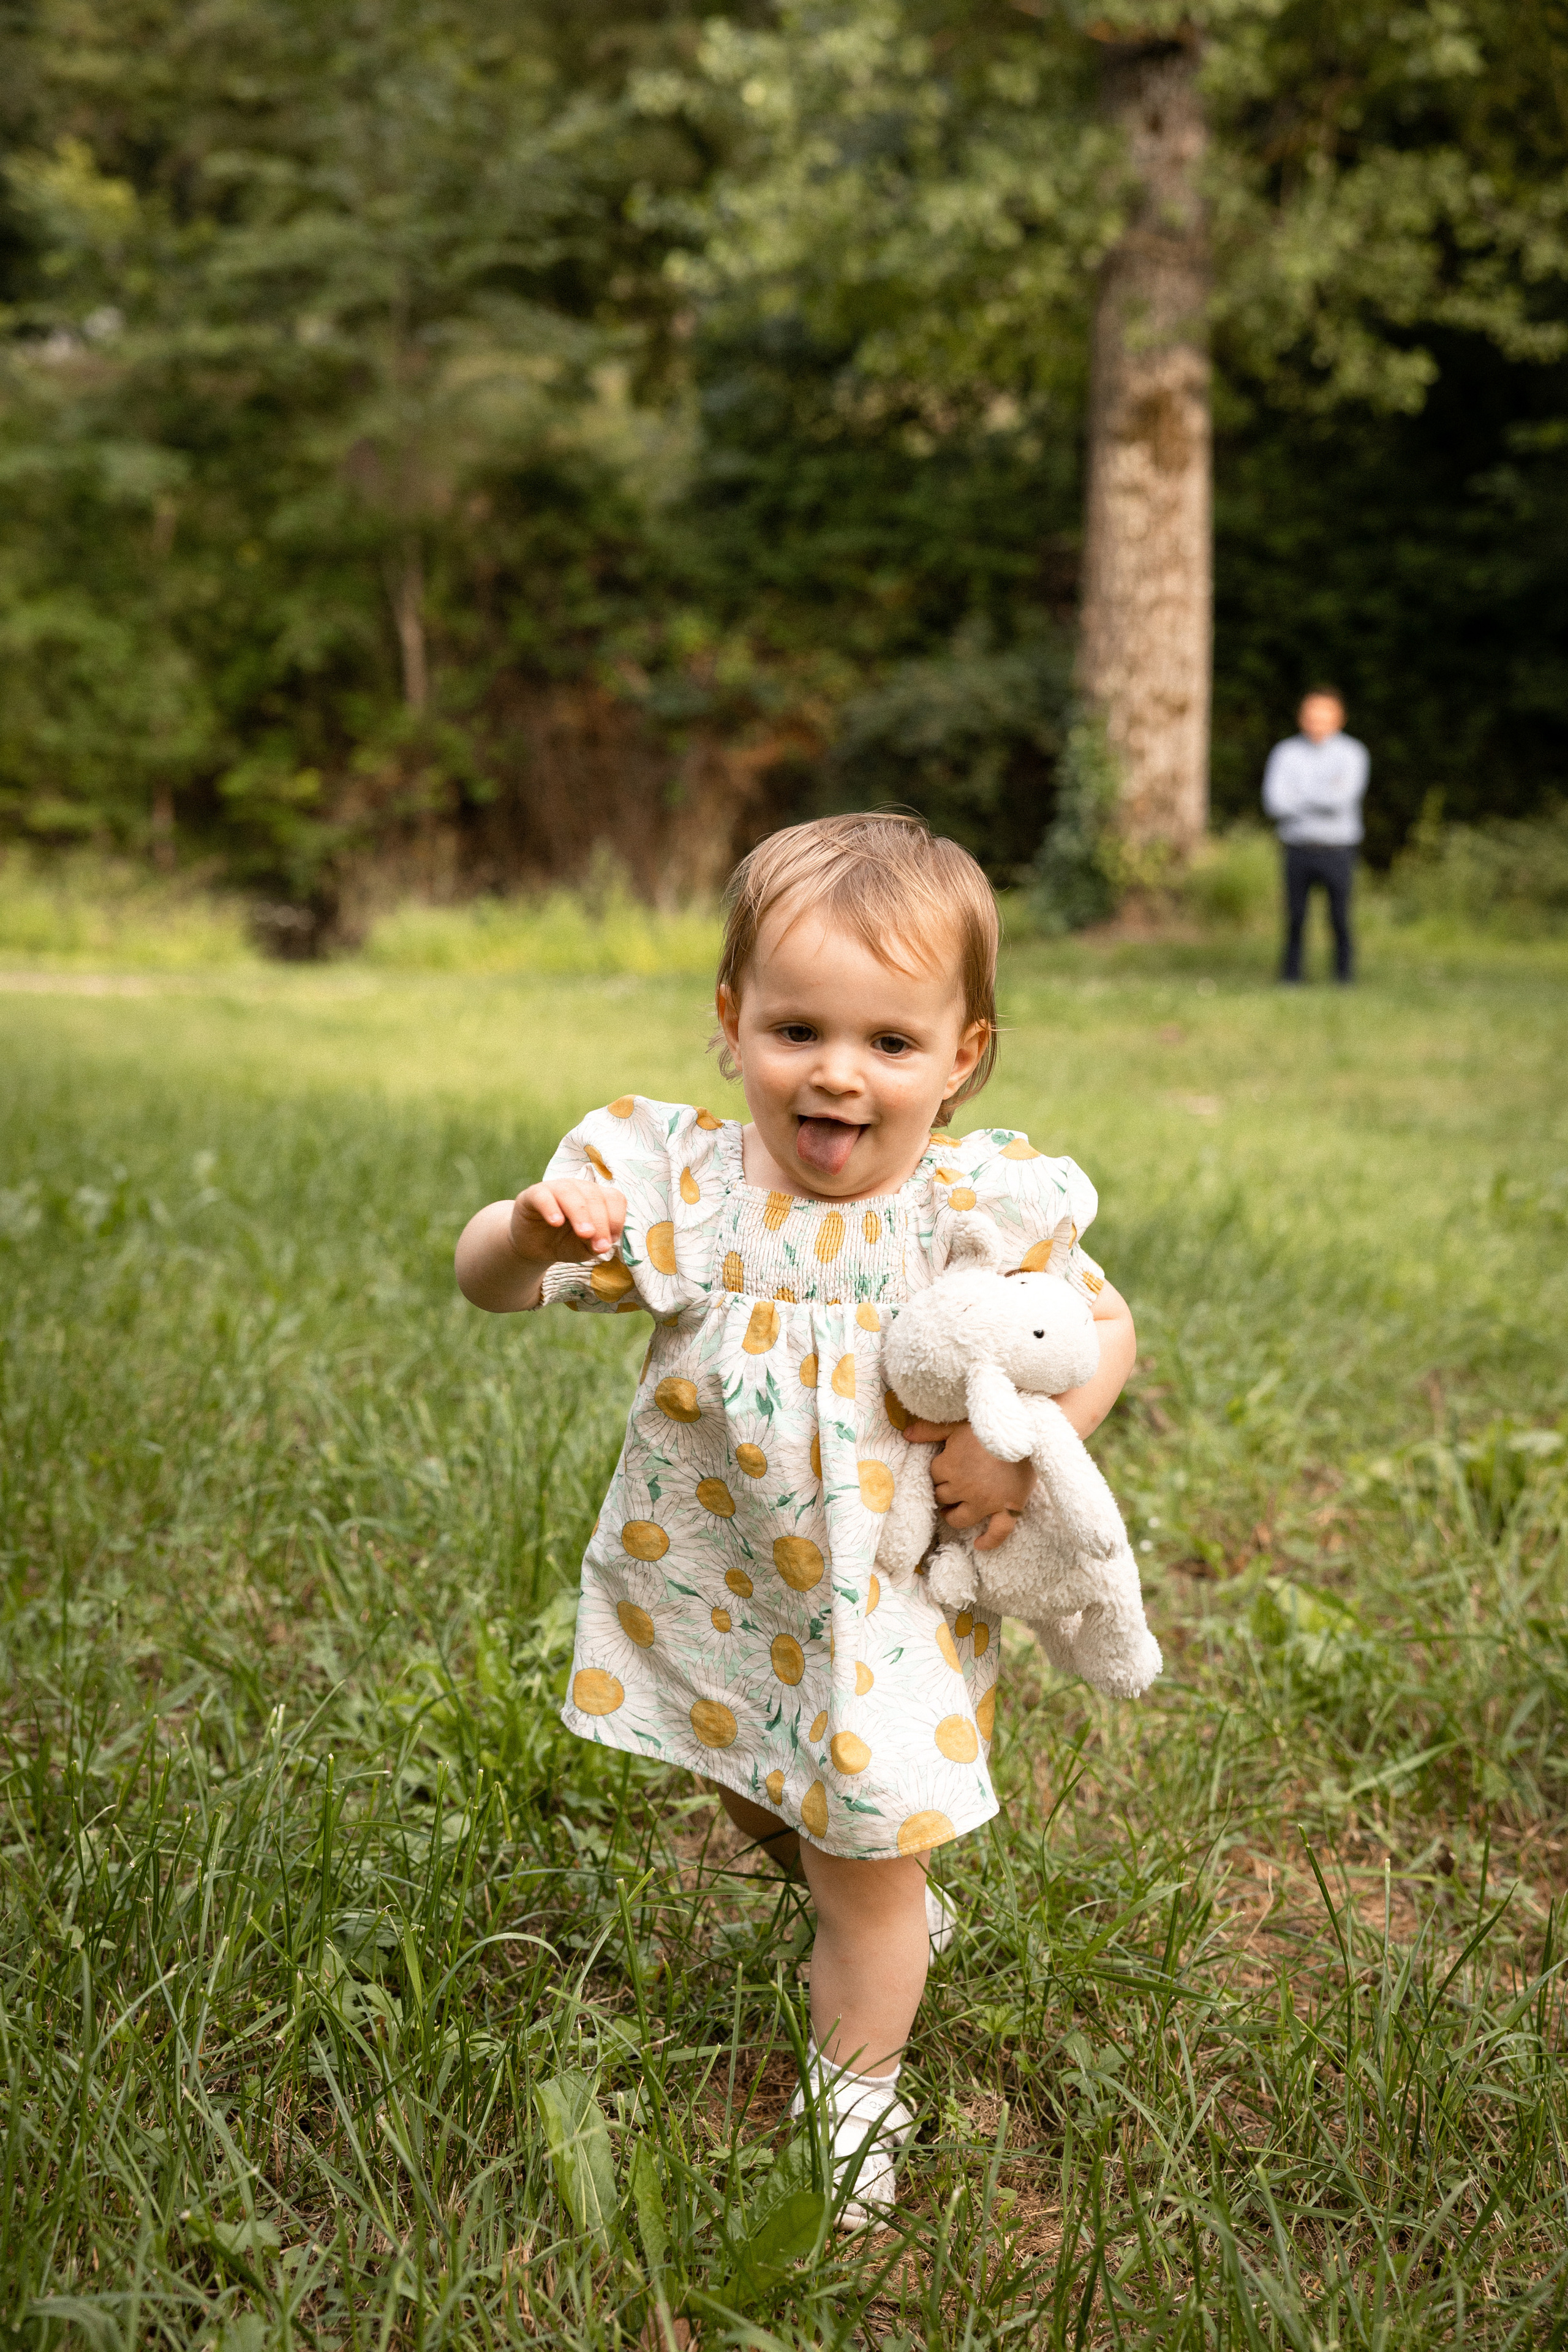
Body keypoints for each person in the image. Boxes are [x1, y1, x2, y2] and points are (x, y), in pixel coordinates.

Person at [454, 813, 1137, 2226]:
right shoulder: (687, 1185)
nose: (837, 1069)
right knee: (748, 1780)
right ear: (731, 1021)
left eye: (890, 1042)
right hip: (720, 1582)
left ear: (961, 1057)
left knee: (860, 1861)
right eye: (797, 1027)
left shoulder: (963, 1207)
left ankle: (857, 2088)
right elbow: (489, 1283)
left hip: (883, 1603)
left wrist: (1026, 1447)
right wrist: (528, 1230)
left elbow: (1099, 1328)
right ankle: (876, 1909)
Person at [1261, 687, 1369, 984]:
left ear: (1339, 719)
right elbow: (1274, 802)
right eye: (1311, 715)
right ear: (1301, 717)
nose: (1316, 722)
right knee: (1295, 918)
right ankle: (1291, 978)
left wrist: (1298, 798)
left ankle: (1343, 978)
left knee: (1339, 918)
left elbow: (1341, 801)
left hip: (1338, 849)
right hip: (1297, 848)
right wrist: (1322, 794)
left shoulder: (1353, 753)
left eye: (1324, 716)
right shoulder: (1285, 753)